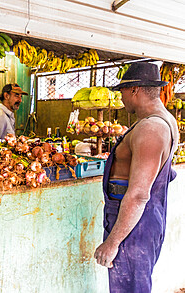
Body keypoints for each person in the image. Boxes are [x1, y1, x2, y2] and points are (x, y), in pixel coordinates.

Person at [94, 62, 179, 292]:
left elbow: (140, 194)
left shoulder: (151, 129)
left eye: (122, 91)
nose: (120, 97)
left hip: (134, 225)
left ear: (135, 90)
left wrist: (112, 243)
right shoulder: (168, 122)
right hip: (145, 218)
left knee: (129, 287)